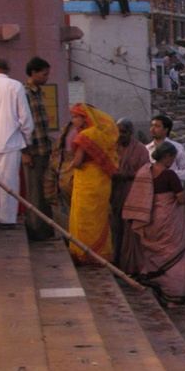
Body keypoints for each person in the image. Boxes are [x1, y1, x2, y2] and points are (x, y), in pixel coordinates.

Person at [122, 141, 185, 307]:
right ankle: (174, 295)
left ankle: (158, 287)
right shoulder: (169, 175)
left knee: (155, 255)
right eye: (172, 158)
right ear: (167, 157)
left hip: (151, 220)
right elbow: (180, 198)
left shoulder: (145, 172)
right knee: (177, 257)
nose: (173, 161)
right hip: (169, 222)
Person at [0, 57, 34, 229]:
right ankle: (7, 219)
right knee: (9, 181)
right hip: (10, 141)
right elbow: (25, 118)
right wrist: (27, 139)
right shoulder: (16, 86)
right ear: (8, 69)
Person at [65, 103, 119, 264]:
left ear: (85, 118)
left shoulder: (84, 136)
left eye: (76, 117)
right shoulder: (99, 134)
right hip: (101, 182)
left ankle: (84, 253)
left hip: (86, 180)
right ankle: (100, 253)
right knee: (98, 217)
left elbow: (77, 161)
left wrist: (67, 167)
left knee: (83, 217)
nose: (73, 121)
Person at [110, 118, 151, 274]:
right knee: (115, 227)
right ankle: (115, 262)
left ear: (131, 133)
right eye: (118, 132)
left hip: (133, 193)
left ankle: (131, 265)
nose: (121, 135)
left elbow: (145, 172)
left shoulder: (140, 150)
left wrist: (125, 175)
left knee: (131, 231)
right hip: (115, 193)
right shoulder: (112, 147)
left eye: (124, 132)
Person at [22, 56, 55, 240]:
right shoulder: (25, 93)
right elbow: (22, 125)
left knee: (45, 192)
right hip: (33, 152)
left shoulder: (38, 92)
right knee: (35, 193)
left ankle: (45, 231)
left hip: (43, 150)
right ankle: (36, 232)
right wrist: (25, 152)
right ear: (34, 73)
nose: (47, 77)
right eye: (45, 73)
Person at [146, 114, 185, 184]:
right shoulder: (146, 149)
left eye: (157, 126)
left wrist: (169, 174)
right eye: (152, 125)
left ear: (165, 130)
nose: (152, 129)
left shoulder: (177, 148)